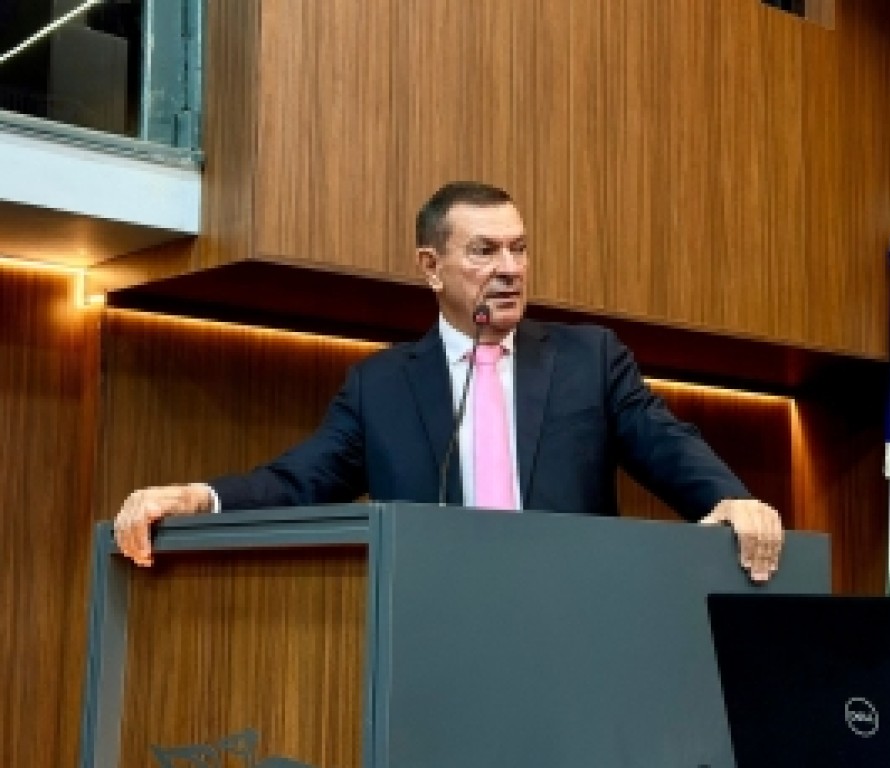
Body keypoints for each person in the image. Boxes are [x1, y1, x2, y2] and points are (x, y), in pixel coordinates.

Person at [114, 181, 784, 580]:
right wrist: (199, 497)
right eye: (484, 251)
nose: (510, 268)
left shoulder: (590, 359)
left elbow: (664, 441)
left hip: (572, 621)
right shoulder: (380, 387)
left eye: (519, 248)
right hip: (434, 631)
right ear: (431, 267)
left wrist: (730, 499)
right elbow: (300, 481)